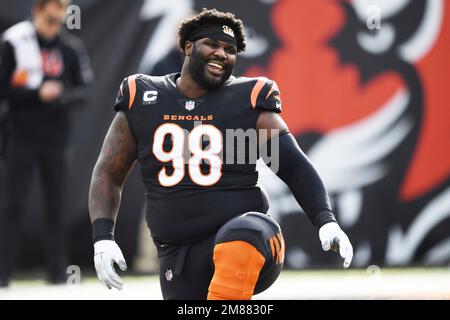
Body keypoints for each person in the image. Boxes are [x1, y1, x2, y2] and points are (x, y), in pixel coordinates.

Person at [89, 8, 352, 300]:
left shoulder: (248, 99)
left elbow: (295, 167)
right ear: (188, 46)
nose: (222, 54)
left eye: (230, 49)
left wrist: (325, 219)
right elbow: (109, 172)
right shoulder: (144, 96)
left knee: (238, 239)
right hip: (178, 253)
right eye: (212, 44)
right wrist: (103, 238)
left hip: (252, 238)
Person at [0, 0, 93, 287]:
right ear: (36, 13)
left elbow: (85, 90)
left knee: (56, 205)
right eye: (50, 20)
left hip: (55, 137)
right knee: (12, 204)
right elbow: (3, 89)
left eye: (59, 20)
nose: (54, 26)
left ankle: (56, 272)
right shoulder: (15, 41)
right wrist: (37, 94)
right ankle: (3, 273)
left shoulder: (69, 48)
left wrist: (61, 95)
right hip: (21, 134)